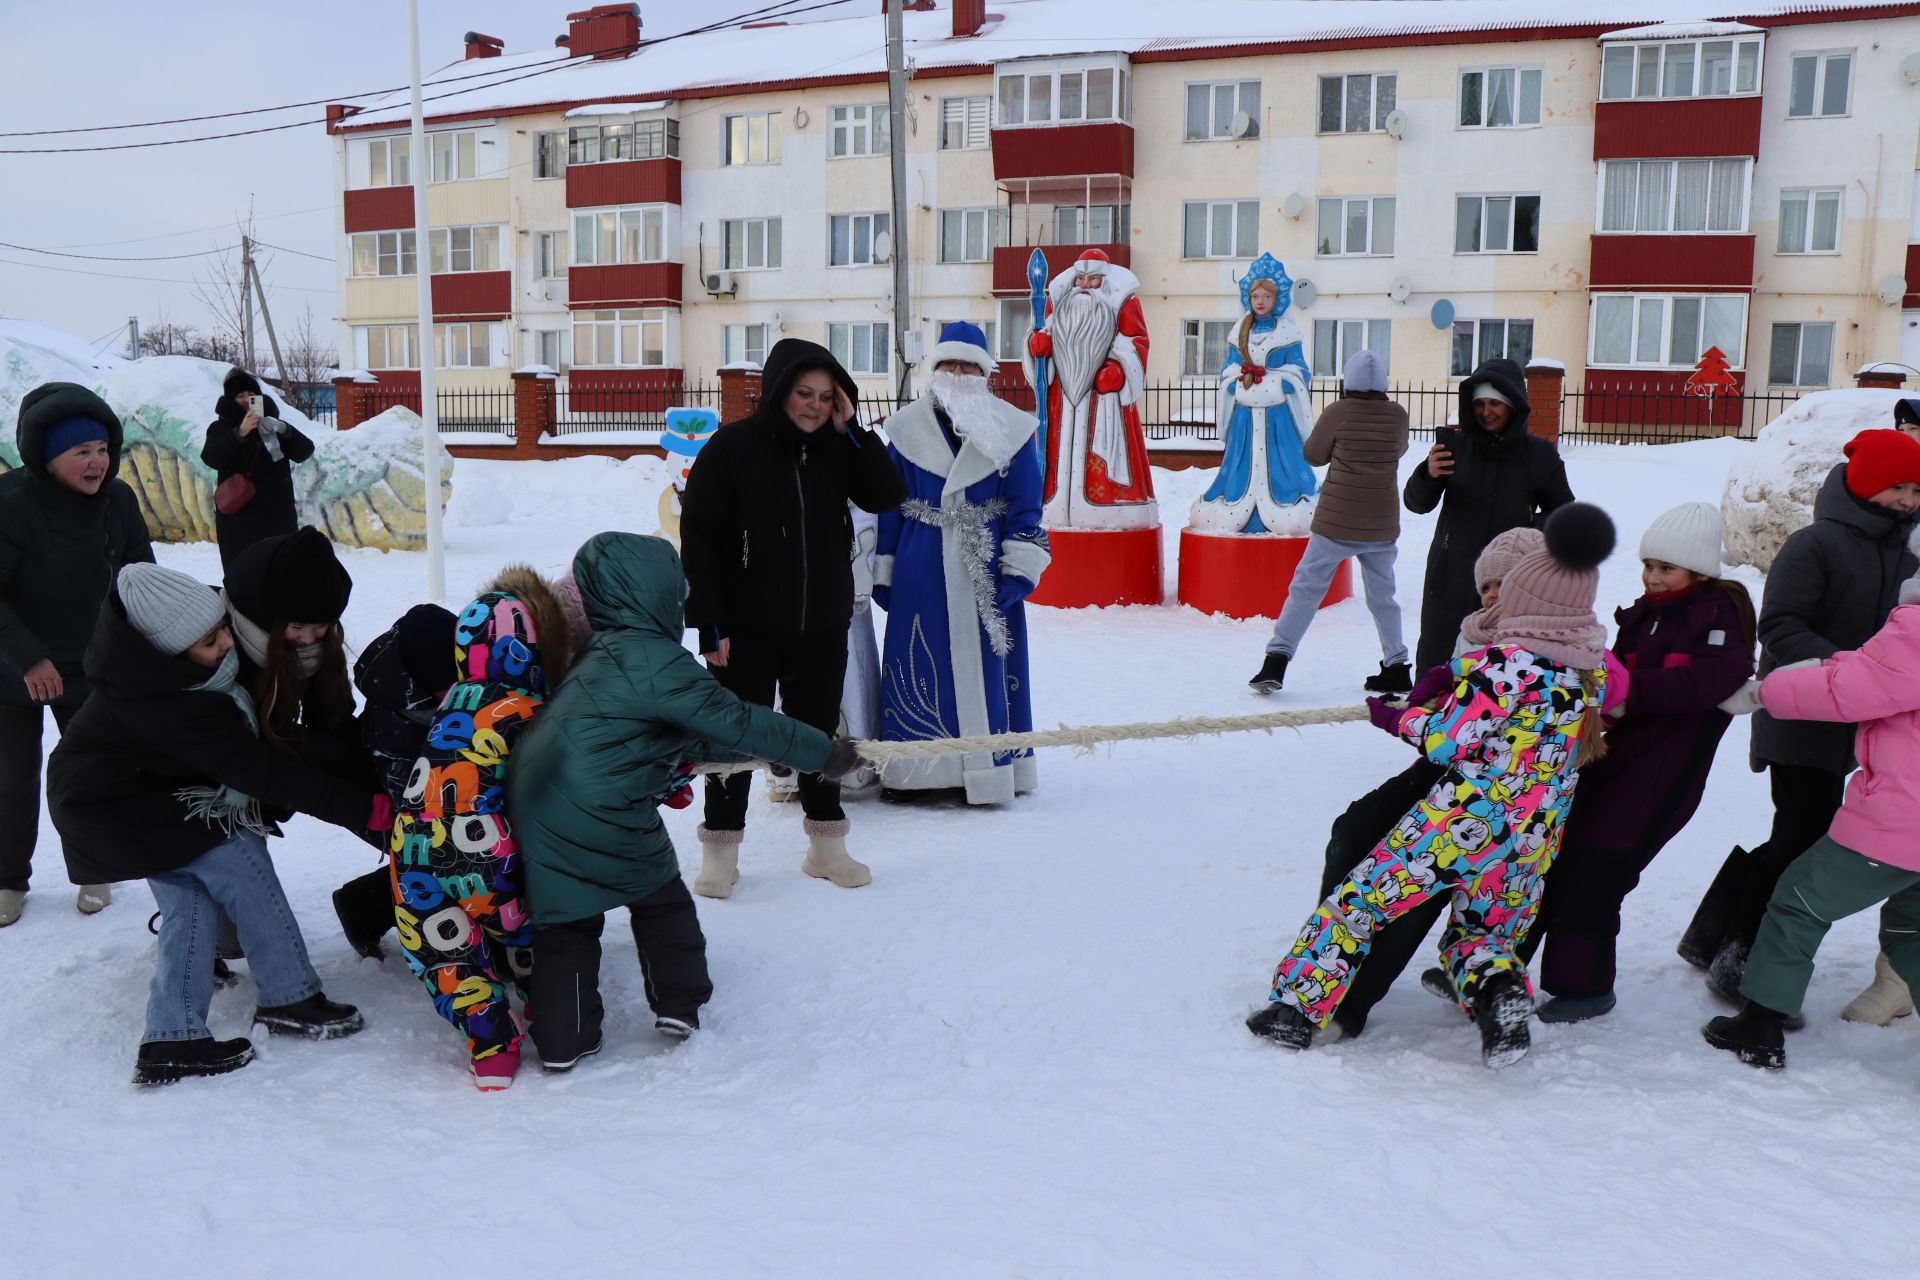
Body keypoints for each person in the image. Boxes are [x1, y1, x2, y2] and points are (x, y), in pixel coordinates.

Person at [1248, 504, 1616, 1069]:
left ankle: (1295, 1011)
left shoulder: (1506, 665)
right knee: (1480, 938)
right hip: (1533, 837)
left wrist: (1393, 717)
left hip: (1461, 821)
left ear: (1529, 604)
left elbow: (1448, 741)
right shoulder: (1583, 675)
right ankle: (1500, 1001)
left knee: (1361, 903)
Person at [512, 533, 863, 1070]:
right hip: (607, 808)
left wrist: (757, 753)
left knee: (567, 926)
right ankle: (681, 1002)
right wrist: (822, 752)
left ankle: (565, 1039)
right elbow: (735, 717)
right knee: (661, 903)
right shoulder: (654, 659)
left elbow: (670, 729)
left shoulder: (600, 657)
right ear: (657, 595)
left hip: (539, 805)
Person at [49, 563, 375, 1085]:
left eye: (223, 625)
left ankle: (172, 1040)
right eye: (209, 640)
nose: (227, 643)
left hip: (130, 793)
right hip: (111, 805)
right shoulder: (166, 701)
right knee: (238, 854)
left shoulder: (170, 672)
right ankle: (290, 995)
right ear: (170, 651)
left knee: (192, 898)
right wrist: (367, 811)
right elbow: (259, 769)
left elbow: (276, 745)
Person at [1678, 430, 1920, 1001]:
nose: (1908, 499)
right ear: (1864, 485)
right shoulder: (1813, 544)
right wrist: (1849, 673)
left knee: (1802, 836)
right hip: (1803, 720)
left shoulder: (1911, 552)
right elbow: (1781, 626)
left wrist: (1872, 689)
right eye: (1897, 487)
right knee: (1801, 836)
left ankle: (1710, 935)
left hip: (1874, 729)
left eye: (1916, 489)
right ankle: (1740, 959)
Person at [680, 338, 905, 898]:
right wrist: (709, 623)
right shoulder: (731, 448)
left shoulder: (838, 448)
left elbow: (887, 492)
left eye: (827, 397)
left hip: (821, 623)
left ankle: (826, 847)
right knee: (733, 738)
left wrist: (854, 429)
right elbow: (700, 539)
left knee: (817, 734)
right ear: (780, 391)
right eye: (804, 393)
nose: (814, 405)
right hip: (746, 628)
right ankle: (721, 851)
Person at [1304, 525, 1544, 1041]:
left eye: (1506, 583)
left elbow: (1465, 732)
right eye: (1486, 587)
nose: (1494, 596)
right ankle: (1330, 969)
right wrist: (1434, 690)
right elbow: (1451, 716)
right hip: (1442, 770)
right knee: (1352, 831)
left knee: (1412, 886)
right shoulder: (1475, 632)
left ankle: (1350, 1004)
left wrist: (1410, 719)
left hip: (1492, 795)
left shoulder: (1554, 647)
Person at [1524, 503, 1756, 1022]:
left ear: (1698, 571)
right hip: (1611, 762)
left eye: (1665, 568)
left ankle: (1583, 987)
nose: (1652, 577)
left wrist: (1630, 697)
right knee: (1549, 858)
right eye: (1647, 565)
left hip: (1662, 777)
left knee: (1597, 871)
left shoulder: (1718, 617)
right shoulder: (1644, 614)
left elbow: (1712, 681)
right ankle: (1496, 969)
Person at [1703, 573, 1920, 1070]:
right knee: (1912, 931)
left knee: (1798, 901)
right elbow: (1882, 674)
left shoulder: (1917, 629)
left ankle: (1759, 1023)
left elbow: (1852, 692)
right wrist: (1832, 663)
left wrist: (1765, 691)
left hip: (1901, 820)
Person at [389, 568, 572, 1090]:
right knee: (521, 925)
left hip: (413, 847)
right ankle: (544, 1006)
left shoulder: (446, 704)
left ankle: (490, 1043)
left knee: (442, 949)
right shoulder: (534, 712)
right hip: (488, 850)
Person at [873, 322, 1048, 804]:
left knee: (989, 667)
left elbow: (1027, 507)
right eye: (949, 363)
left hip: (985, 568)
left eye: (968, 364)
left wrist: (1018, 568)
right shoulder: (904, 431)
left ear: (984, 371)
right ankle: (918, 774)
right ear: (935, 369)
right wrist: (884, 569)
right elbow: (889, 505)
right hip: (920, 566)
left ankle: (990, 770)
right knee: (919, 660)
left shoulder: (1013, 430)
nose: (958, 372)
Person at [0, 382, 154, 927]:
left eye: (102, 449)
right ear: (47, 459)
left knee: (91, 771)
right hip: (12, 664)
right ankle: (6, 879)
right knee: (12, 777)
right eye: (80, 452)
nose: (97, 463)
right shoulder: (11, 503)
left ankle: (94, 867)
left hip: (90, 662)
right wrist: (28, 658)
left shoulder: (118, 501)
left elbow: (142, 577)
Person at [1248, 348, 1411, 695]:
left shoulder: (1339, 411)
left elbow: (1313, 454)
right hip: (1381, 525)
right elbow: (1399, 450)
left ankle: (1276, 661)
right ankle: (1397, 667)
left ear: (1347, 381)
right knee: (1384, 597)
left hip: (1336, 523)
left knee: (1305, 591)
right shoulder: (1397, 415)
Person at [1404, 358, 1575, 674]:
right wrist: (1427, 475)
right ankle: (1429, 720)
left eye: (1496, 403)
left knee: (1500, 670)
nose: (1486, 411)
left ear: (1514, 404)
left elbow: (1564, 515)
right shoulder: (1457, 447)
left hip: (1509, 583)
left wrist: (1526, 532)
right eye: (1480, 403)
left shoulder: (1538, 455)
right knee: (1437, 665)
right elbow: (1416, 504)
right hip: (1450, 576)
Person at [331, 603, 459, 961]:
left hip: (439, 799)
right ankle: (365, 906)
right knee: (454, 852)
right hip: (391, 810)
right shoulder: (394, 723)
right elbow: (418, 811)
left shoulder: (431, 695)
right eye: (448, 686)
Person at [1023, 248, 1156, 527]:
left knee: (1102, 461)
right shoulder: (1056, 303)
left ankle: (1109, 506)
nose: (1085, 286)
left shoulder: (1123, 303)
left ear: (1104, 281)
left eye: (1093, 280)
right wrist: (1037, 347)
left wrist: (1119, 371)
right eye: (1080, 279)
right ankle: (1053, 503)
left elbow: (1137, 341)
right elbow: (1042, 333)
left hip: (1104, 403)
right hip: (1060, 399)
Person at [1189, 253, 1316, 535]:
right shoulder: (1239, 333)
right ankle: (1235, 498)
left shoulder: (1288, 333)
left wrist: (1285, 382)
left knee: (1282, 458)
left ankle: (1288, 498)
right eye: (1255, 296)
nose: (1260, 301)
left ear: (1277, 299)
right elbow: (1228, 367)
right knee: (1240, 459)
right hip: (1245, 415)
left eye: (1266, 296)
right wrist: (1233, 381)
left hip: (1278, 415)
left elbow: (1301, 369)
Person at [202, 369, 315, 575]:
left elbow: (304, 451)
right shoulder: (220, 427)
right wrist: (240, 433)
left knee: (280, 570)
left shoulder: (271, 424)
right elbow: (211, 458)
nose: (246, 400)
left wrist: (285, 430)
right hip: (240, 517)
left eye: (251, 394)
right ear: (231, 399)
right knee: (243, 573)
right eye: (240, 396)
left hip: (277, 514)